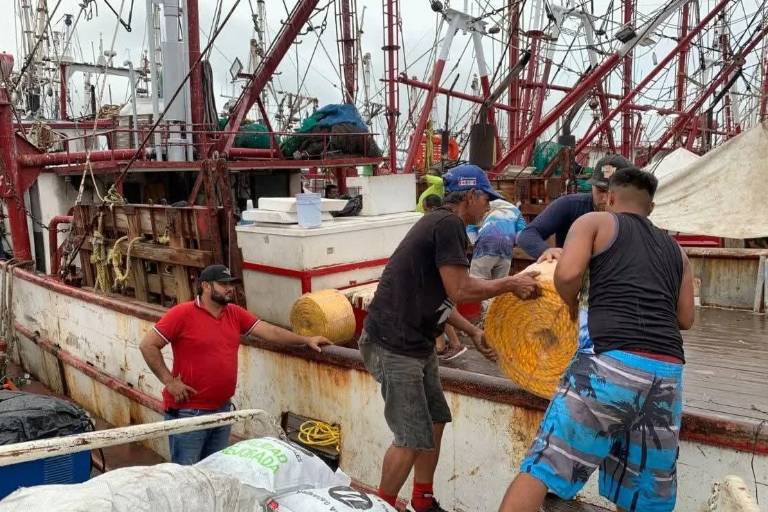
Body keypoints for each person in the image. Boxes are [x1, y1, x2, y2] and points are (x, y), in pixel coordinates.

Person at [498, 167, 695, 512]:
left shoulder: (595, 222)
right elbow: (686, 319)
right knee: (643, 493)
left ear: (610, 198)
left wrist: (571, 303)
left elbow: (569, 273)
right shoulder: (677, 250)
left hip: (610, 364)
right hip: (666, 378)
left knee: (543, 469)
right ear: (650, 207)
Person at [360, 164, 540, 512]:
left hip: (415, 343)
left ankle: (422, 500)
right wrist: (510, 284)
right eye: (485, 197)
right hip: (394, 346)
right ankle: (379, 507)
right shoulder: (448, 224)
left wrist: (473, 331)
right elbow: (460, 288)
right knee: (410, 436)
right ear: (470, 196)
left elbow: (439, 295)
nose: (487, 205)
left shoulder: (441, 223)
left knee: (436, 418)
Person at [139, 264, 331, 465]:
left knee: (216, 471)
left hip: (222, 410)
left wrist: (306, 339)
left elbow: (270, 332)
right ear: (205, 286)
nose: (229, 288)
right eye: (223, 284)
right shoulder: (182, 314)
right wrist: (169, 381)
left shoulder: (234, 313)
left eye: (230, 284)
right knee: (187, 474)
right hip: (189, 412)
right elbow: (148, 345)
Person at [517, 154, 632, 262]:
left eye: (612, 193)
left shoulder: (635, 217)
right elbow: (528, 234)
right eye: (600, 191)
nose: (605, 198)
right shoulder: (569, 205)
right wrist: (545, 250)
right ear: (592, 187)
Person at [470, 198, 527, 322]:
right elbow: (522, 233)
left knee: (477, 281)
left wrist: (474, 242)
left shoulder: (481, 205)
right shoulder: (515, 211)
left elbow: (470, 226)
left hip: (486, 245)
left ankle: (483, 318)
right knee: (500, 286)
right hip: (506, 248)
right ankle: (497, 321)